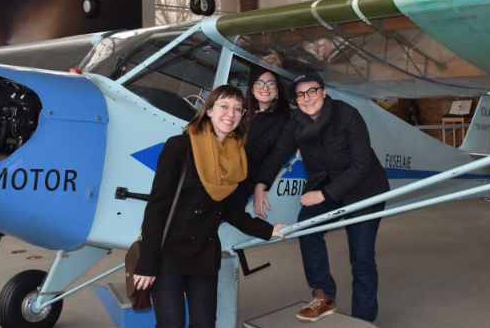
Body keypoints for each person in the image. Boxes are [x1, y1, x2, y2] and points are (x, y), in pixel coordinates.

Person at [133, 85, 286, 328]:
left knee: (204, 324)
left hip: (203, 257)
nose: (231, 113)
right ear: (209, 111)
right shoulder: (180, 146)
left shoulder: (236, 158)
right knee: (171, 323)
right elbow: (157, 207)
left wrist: (267, 230)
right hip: (168, 255)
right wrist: (147, 263)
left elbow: (230, 210)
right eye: (224, 106)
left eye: (238, 109)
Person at [253, 72, 389, 323]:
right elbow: (280, 153)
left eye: (312, 91)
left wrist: (324, 194)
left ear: (324, 92)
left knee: (361, 258)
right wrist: (261, 184)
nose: (307, 98)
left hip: (364, 189)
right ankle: (324, 296)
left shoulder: (347, 115)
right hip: (326, 187)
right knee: (307, 229)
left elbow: (361, 166)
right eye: (300, 95)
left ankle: (363, 319)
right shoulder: (296, 121)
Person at [233, 66, 290, 203]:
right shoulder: (242, 113)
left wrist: (261, 183)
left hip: (246, 179)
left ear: (277, 92)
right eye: (259, 82)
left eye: (271, 83)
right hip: (227, 172)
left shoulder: (284, 119)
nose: (265, 87)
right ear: (252, 90)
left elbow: (276, 153)